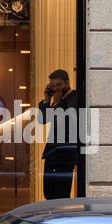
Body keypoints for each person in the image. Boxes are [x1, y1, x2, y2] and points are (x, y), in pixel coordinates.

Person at [38, 69, 80, 200]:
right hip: (52, 153)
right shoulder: (57, 101)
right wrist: (46, 100)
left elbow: (68, 116)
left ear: (67, 83)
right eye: (53, 86)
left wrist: (58, 98)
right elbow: (43, 119)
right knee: (49, 192)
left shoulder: (75, 97)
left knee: (61, 193)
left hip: (66, 153)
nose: (56, 88)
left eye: (59, 84)